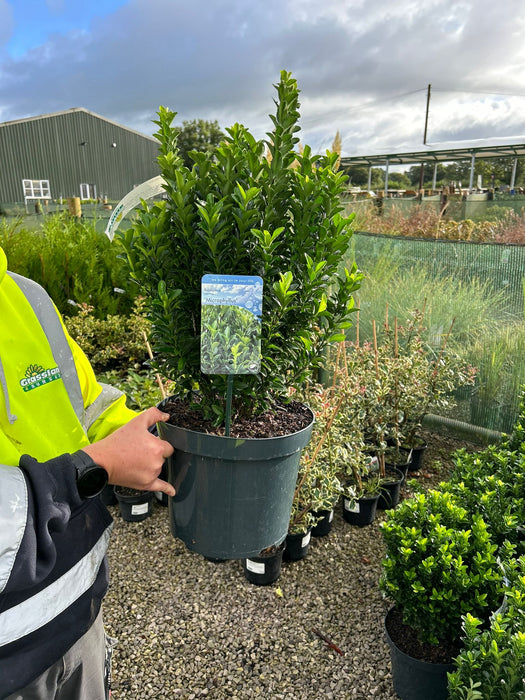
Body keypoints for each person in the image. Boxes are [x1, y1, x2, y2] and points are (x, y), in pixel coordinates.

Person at [0, 245, 175, 699]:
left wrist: (149, 432)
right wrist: (94, 468)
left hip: (80, 618)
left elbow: (87, 403)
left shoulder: (25, 296)